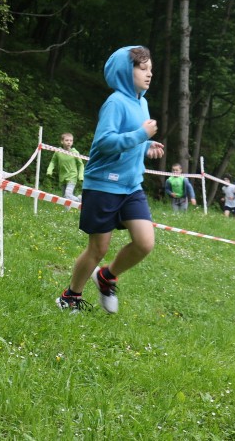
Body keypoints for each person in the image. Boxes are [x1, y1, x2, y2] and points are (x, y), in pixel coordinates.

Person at [56, 46, 164, 313]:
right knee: (98, 248)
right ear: (126, 71)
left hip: (131, 185)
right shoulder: (115, 102)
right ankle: (70, 296)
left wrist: (146, 147)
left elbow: (130, 140)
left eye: (150, 69)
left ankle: (106, 277)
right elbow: (104, 143)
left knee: (145, 242)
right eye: (142, 68)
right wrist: (140, 136)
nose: (149, 74)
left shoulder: (142, 102)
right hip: (104, 184)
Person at [46, 132, 84, 205]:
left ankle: (81, 201)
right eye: (67, 140)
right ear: (62, 141)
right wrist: (49, 170)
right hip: (62, 177)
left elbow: (80, 165)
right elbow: (53, 162)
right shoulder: (58, 151)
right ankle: (67, 212)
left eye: (71, 140)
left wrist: (81, 175)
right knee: (65, 197)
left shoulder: (75, 152)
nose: (69, 142)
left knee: (67, 194)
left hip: (72, 176)